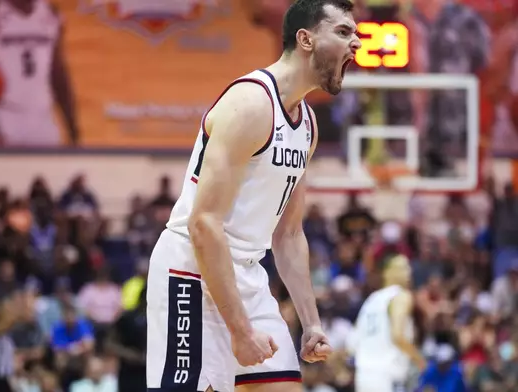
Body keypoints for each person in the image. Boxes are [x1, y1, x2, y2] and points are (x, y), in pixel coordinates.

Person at [145, 1, 361, 392]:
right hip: (192, 270)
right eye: (344, 32)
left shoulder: (307, 124)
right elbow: (203, 223)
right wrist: (240, 331)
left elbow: (290, 234)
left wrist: (311, 321)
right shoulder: (250, 104)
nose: (357, 43)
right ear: (306, 39)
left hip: (246, 273)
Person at [0, 0, 79, 145]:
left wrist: (73, 129)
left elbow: (58, 74)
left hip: (43, 117)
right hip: (2, 116)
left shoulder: (51, 14)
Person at [352, 254, 427, 392]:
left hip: (363, 376)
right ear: (387, 273)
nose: (408, 272)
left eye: (408, 267)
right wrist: (419, 359)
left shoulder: (370, 300)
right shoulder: (401, 295)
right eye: (402, 267)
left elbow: (353, 342)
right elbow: (397, 336)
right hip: (388, 376)